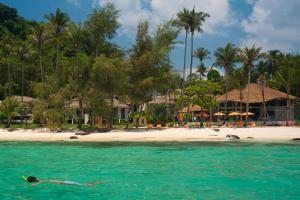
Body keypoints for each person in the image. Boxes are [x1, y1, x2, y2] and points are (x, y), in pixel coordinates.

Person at [23, 176, 106, 187]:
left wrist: (35, 184)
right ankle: (99, 182)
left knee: (86, 185)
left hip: (67, 183)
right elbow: (44, 180)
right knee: (85, 184)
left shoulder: (43, 180)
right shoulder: (42, 179)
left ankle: (101, 182)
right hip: (67, 182)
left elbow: (45, 181)